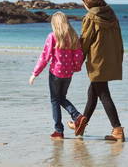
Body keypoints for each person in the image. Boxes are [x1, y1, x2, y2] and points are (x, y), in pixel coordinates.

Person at [68, 0, 125, 141]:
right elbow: (119, 39)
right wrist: (119, 57)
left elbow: (85, 42)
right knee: (93, 93)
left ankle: (117, 129)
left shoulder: (90, 17)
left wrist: (77, 60)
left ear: (87, 2)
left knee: (103, 93)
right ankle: (80, 124)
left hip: (97, 60)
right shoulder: (111, 14)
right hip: (111, 58)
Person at [29, 11, 87, 139]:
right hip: (68, 74)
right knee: (61, 98)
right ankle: (77, 116)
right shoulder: (73, 36)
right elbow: (78, 55)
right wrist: (76, 68)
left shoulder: (52, 36)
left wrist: (35, 73)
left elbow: (45, 57)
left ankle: (59, 131)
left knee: (55, 100)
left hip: (55, 73)